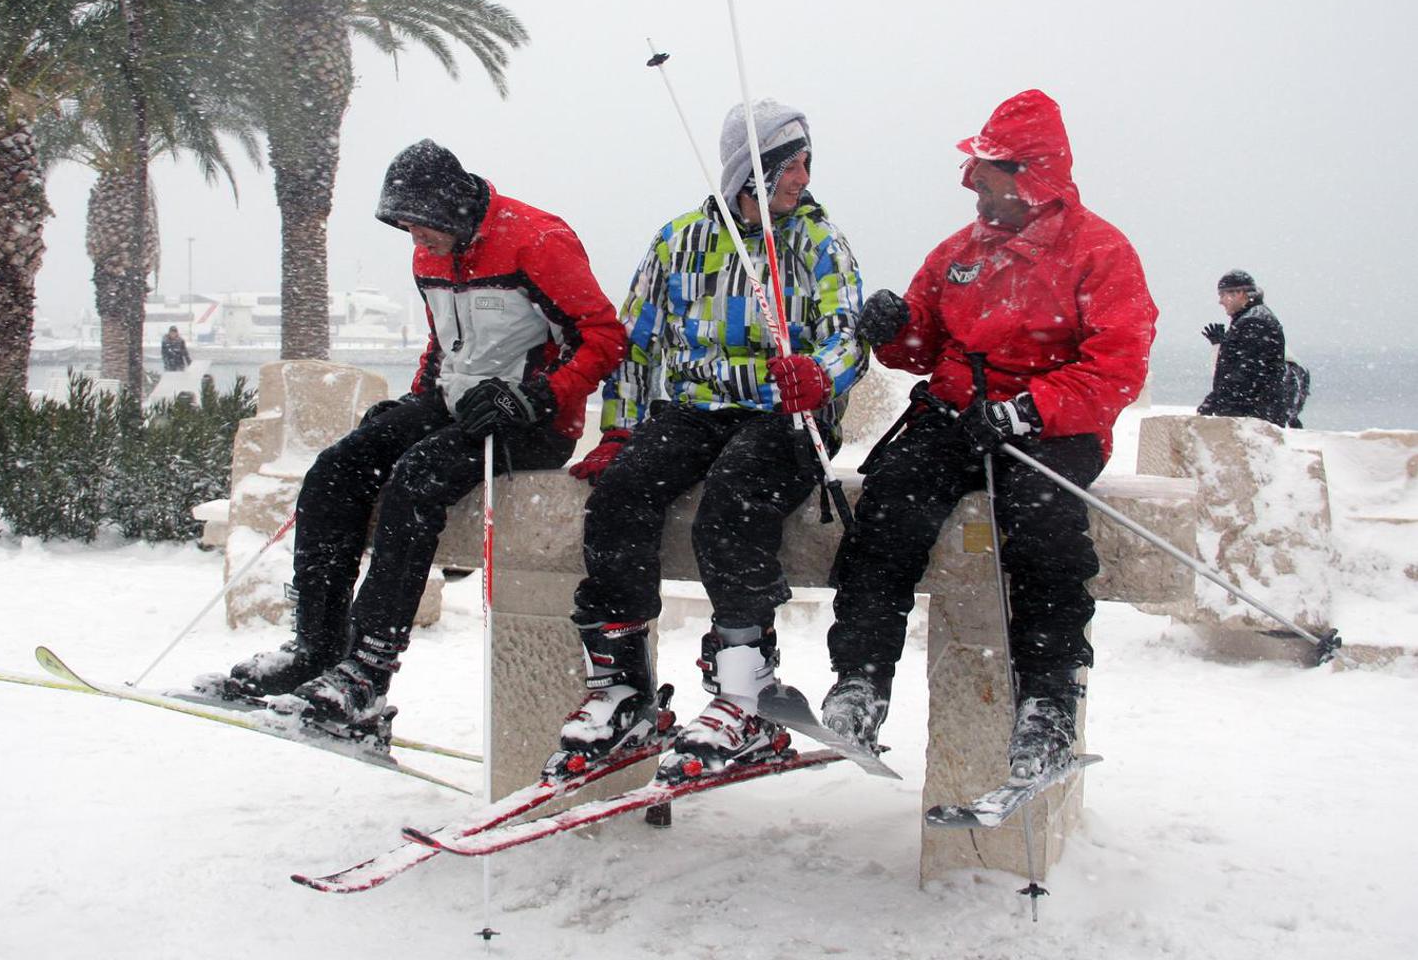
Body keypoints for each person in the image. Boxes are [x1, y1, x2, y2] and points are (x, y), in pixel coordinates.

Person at [202, 140, 625, 742]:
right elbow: (444, 342)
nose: (415, 242)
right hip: (451, 406)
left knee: (417, 478)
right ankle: (316, 649)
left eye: (422, 228)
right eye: (405, 229)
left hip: (530, 422)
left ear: (453, 211)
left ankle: (367, 672)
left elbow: (605, 338)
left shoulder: (538, 241)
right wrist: (413, 398)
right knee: (335, 469)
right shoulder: (430, 256)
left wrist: (537, 396)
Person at [822, 89, 1157, 782]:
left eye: (987, 172)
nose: (973, 184)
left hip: (1051, 427)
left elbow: (1117, 367)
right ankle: (860, 680)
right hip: (954, 417)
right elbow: (920, 344)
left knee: (1041, 525)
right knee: (886, 511)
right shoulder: (958, 253)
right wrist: (893, 326)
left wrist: (1028, 409)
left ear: (1030, 174)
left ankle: (1048, 700)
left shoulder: (1100, 251)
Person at [553, 100, 867, 781]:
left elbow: (849, 336)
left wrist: (819, 375)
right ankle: (622, 685)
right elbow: (636, 344)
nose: (801, 178)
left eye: (806, 163)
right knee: (620, 496)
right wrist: (619, 430)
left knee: (734, 501)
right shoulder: (679, 242)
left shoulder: (817, 244)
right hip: (694, 410)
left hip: (785, 414)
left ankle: (745, 693)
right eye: (788, 164)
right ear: (745, 173)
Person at [1197, 270, 1288, 424]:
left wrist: (1216, 399)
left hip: (1252, 417)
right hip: (1254, 413)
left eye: (1222, 295)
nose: (1220, 301)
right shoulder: (1252, 318)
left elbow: (1247, 372)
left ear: (1239, 293)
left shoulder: (1254, 322)